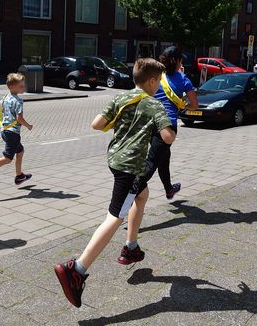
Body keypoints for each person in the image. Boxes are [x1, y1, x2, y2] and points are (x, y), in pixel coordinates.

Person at [54, 58, 175, 308]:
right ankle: (77, 269)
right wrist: (165, 122)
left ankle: (131, 246)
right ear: (152, 81)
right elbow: (168, 137)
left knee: (142, 196)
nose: (159, 87)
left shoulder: (121, 98)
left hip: (114, 159)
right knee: (115, 215)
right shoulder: (155, 104)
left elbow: (96, 124)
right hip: (130, 168)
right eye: (159, 82)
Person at [144, 46, 198, 200]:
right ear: (178, 61)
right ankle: (130, 192)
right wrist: (182, 105)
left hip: (152, 123)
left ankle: (169, 189)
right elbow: (194, 105)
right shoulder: (183, 79)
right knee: (152, 162)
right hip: (167, 125)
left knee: (163, 158)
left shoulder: (154, 76)